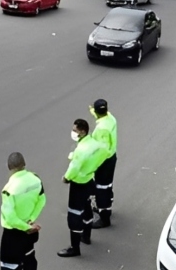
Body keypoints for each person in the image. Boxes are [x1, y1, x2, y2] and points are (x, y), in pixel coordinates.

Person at [58, 119, 108, 258]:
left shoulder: (81, 150)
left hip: (78, 184)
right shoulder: (95, 144)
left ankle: (74, 248)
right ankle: (86, 236)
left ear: (83, 131)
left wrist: (66, 178)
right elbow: (104, 153)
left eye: (75, 130)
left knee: (74, 215)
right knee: (86, 209)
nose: (73, 132)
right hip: (89, 181)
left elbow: (74, 167)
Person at [0, 152, 46, 270]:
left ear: (9, 167)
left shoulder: (8, 189)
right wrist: (31, 219)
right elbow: (42, 200)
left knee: (9, 265)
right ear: (24, 164)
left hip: (13, 235)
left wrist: (26, 227)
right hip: (29, 232)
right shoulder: (36, 179)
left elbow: (10, 218)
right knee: (29, 260)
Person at [89, 99, 117, 229]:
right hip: (112, 157)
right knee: (108, 185)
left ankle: (105, 217)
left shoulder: (101, 129)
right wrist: (93, 110)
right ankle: (107, 206)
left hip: (104, 161)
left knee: (102, 189)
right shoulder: (111, 118)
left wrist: (94, 164)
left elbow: (102, 151)